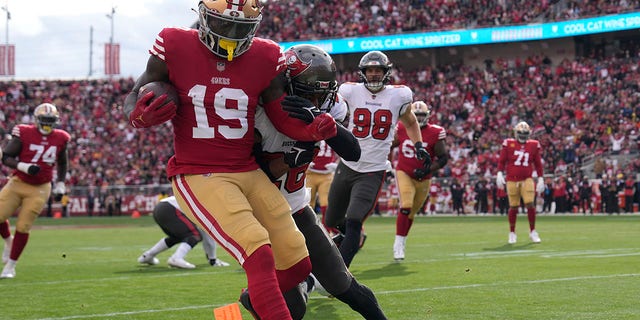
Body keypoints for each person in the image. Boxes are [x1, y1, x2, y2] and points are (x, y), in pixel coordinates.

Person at [122, 1, 338, 319]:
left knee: (297, 261)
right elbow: (135, 93)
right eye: (224, 24)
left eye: (241, 27)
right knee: (256, 246)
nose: (231, 34)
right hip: (199, 171)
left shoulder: (266, 55)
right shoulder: (174, 42)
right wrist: (138, 115)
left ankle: (248, 304)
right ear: (204, 16)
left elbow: (281, 117)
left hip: (247, 170)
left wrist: (311, 129)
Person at [240, 44, 387, 319]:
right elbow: (249, 176)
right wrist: (286, 161)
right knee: (292, 306)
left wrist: (320, 119)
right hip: (261, 216)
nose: (318, 100)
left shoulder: (325, 106)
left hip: (297, 208)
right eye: (310, 93)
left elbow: (353, 150)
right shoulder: (257, 111)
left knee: (345, 286)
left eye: (323, 93)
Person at [324, 50, 431, 267]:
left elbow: (410, 122)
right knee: (332, 220)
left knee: (354, 221)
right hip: (347, 165)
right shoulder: (349, 91)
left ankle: (339, 276)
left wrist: (418, 145)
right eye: (370, 70)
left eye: (378, 70)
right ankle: (353, 240)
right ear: (363, 72)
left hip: (373, 170)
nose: (374, 74)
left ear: (386, 72)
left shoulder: (398, 95)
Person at [0, 103, 70, 278]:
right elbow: (6, 157)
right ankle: (9, 241)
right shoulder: (24, 132)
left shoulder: (61, 137)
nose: (47, 124)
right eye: (44, 120)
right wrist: (24, 166)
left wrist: (61, 183)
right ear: (36, 120)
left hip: (40, 187)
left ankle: (11, 266)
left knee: (24, 226)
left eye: (50, 120)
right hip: (18, 182)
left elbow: (62, 162)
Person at [391, 101, 448, 261]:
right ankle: (398, 244)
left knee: (412, 212)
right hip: (404, 172)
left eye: (421, 115)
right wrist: (386, 163)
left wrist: (427, 169)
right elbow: (389, 145)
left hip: (424, 178)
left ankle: (402, 240)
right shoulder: (402, 127)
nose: (419, 118)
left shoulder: (436, 132)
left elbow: (443, 158)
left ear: (427, 115)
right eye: (416, 115)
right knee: (406, 206)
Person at [137, 195, 230, 269]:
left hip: (160, 208)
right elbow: (208, 234)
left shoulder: (207, 199)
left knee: (178, 237)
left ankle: (147, 256)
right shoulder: (210, 206)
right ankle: (176, 258)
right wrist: (213, 259)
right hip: (170, 208)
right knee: (194, 235)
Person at [496, 121, 544, 244]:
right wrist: (499, 172)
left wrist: (541, 178)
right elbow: (502, 161)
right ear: (516, 133)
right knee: (513, 206)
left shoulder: (533, 145)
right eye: (521, 133)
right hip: (512, 179)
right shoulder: (509, 143)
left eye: (525, 133)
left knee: (530, 203)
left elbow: (538, 164)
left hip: (527, 178)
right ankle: (512, 232)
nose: (523, 135)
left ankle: (532, 231)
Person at [306, 139, 338, 233]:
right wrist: (305, 160)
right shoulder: (313, 133)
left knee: (326, 203)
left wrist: (336, 165)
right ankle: (307, 228)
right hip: (310, 174)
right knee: (307, 203)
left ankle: (327, 230)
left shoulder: (333, 134)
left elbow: (344, 152)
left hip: (326, 175)